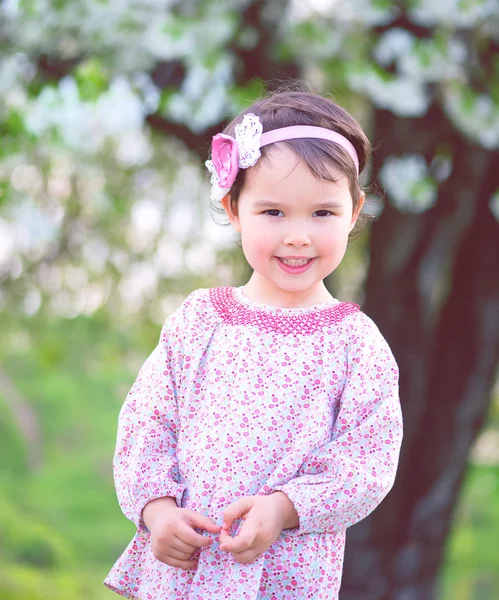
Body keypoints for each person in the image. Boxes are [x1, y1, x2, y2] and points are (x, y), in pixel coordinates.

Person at [103, 88, 404, 600]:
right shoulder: (200, 320)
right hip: (185, 569)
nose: (298, 236)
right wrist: (157, 511)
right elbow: (147, 423)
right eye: (273, 212)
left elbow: (368, 461)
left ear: (353, 212)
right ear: (234, 208)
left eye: (322, 213)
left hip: (285, 573)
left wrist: (284, 508)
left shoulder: (355, 343)